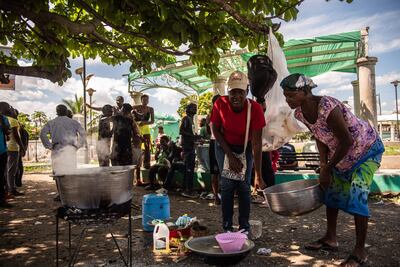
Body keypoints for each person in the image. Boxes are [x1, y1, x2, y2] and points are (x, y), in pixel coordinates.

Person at [281, 73, 385, 267]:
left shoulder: (327, 106)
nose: (287, 100)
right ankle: (330, 238)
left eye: (291, 96)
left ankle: (360, 251)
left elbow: (347, 140)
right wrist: (323, 166)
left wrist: (327, 168)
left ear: (304, 92)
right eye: (286, 96)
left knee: (357, 194)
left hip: (366, 150)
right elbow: (319, 136)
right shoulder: (300, 113)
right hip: (343, 155)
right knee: (332, 194)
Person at [210, 71, 266, 232]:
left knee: (243, 186)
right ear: (228, 92)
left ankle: (244, 227)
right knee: (227, 185)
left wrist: (258, 175)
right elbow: (215, 130)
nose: (236, 96)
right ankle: (227, 227)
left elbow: (256, 144)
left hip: (245, 147)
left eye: (240, 92)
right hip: (223, 146)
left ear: (246, 92)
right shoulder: (220, 103)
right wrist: (230, 156)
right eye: (232, 92)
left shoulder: (255, 108)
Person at [40, 104, 86, 174]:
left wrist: (49, 146)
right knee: (71, 172)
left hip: (57, 149)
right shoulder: (73, 122)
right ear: (66, 112)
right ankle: (71, 185)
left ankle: (59, 185)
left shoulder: (51, 123)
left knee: (57, 173)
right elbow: (83, 133)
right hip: (70, 149)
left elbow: (42, 134)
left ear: (57, 112)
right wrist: (78, 146)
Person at [179, 103, 201, 198]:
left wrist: (195, 138)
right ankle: (188, 190)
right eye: (193, 108)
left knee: (190, 168)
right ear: (188, 109)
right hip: (187, 147)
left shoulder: (191, 120)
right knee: (189, 168)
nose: (195, 109)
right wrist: (194, 136)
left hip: (190, 146)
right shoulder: (186, 118)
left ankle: (187, 188)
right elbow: (182, 131)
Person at [132, 94, 154, 185]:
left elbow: (152, 121)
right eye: (144, 99)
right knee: (137, 149)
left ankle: (146, 165)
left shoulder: (150, 109)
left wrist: (144, 122)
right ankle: (135, 175)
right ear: (141, 100)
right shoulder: (136, 107)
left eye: (147, 99)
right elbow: (129, 112)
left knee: (147, 147)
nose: (145, 101)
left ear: (148, 100)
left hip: (146, 130)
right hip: (137, 130)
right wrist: (137, 122)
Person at [5, 107, 26, 196]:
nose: (14, 111)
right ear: (9, 111)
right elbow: (17, 136)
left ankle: (7, 189)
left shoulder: (4, 119)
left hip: (5, 148)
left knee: (6, 170)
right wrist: (22, 147)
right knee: (12, 170)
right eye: (13, 110)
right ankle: (12, 189)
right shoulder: (13, 121)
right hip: (13, 148)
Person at [207, 94, 221, 205]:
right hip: (216, 142)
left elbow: (208, 131)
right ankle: (216, 196)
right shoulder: (211, 115)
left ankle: (218, 196)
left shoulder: (210, 115)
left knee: (217, 172)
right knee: (216, 172)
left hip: (216, 142)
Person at [0, 102, 11, 207]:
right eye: (7, 107)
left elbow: (8, 133)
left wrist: (2, 121)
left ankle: (2, 200)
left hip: (2, 151)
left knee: (2, 175)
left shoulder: (4, 119)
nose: (9, 109)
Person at [15, 110, 29, 187]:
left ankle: (18, 181)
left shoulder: (18, 126)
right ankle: (16, 182)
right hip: (14, 149)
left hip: (16, 149)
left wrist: (23, 149)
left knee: (18, 166)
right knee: (17, 166)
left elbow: (25, 139)